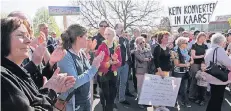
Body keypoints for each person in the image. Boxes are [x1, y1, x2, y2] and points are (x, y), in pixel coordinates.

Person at [1, 17, 76, 111]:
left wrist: (52, 85)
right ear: (2, 38)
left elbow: (33, 96)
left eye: (28, 35)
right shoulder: (2, 77)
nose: (28, 40)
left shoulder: (15, 71)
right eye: (21, 35)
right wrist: (50, 92)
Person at [57, 24, 105, 111]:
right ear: (78, 37)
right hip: (74, 102)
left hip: (86, 99)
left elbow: (87, 74)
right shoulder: (65, 55)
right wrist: (94, 67)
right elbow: (75, 82)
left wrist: (96, 63)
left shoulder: (81, 52)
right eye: (86, 36)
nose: (88, 39)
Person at [96, 27, 122, 111]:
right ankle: (105, 108)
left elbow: (120, 62)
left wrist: (116, 61)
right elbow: (97, 63)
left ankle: (109, 109)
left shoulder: (117, 47)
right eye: (106, 34)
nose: (107, 36)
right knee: (105, 95)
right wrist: (108, 63)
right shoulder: (101, 46)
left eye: (109, 34)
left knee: (112, 96)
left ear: (113, 35)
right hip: (103, 75)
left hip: (113, 74)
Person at [204, 33, 231, 111]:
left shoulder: (210, 49)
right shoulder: (219, 50)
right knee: (217, 99)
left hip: (212, 76)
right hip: (219, 78)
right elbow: (228, 63)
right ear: (221, 41)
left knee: (214, 98)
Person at [114, 23, 134, 106]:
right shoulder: (115, 38)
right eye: (120, 27)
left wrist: (129, 61)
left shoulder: (125, 39)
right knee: (115, 82)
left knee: (124, 82)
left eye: (123, 27)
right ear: (116, 29)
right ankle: (113, 100)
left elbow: (128, 51)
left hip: (126, 64)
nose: (122, 29)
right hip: (117, 64)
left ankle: (122, 98)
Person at [172, 37, 193, 108]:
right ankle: (174, 102)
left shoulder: (186, 50)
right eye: (186, 43)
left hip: (185, 71)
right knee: (176, 88)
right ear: (180, 43)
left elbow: (191, 59)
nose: (187, 44)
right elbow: (176, 64)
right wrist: (186, 64)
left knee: (184, 88)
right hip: (178, 72)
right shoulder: (174, 51)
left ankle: (184, 101)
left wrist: (190, 62)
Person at [92, 20, 109, 96]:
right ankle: (95, 92)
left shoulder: (110, 37)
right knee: (97, 79)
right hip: (98, 63)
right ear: (99, 27)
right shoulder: (95, 38)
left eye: (105, 26)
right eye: (101, 26)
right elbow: (91, 50)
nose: (103, 27)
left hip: (108, 63)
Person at [189, 32, 208, 102]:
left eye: (204, 38)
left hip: (203, 65)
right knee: (194, 80)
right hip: (195, 64)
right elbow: (193, 56)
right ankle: (191, 96)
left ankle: (198, 96)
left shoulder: (205, 46)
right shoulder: (194, 45)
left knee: (202, 81)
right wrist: (203, 56)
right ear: (198, 37)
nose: (202, 39)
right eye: (201, 38)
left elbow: (207, 55)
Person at [134, 36, 152, 109]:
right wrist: (145, 57)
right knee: (140, 88)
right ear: (137, 44)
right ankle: (140, 102)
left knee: (146, 87)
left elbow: (150, 57)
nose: (142, 43)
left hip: (147, 70)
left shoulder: (147, 49)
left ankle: (145, 101)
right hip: (140, 71)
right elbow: (141, 59)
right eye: (140, 42)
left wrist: (146, 57)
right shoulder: (136, 51)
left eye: (143, 42)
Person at [130, 27, 141, 92]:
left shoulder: (142, 40)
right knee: (135, 74)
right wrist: (135, 50)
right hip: (134, 60)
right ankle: (135, 87)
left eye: (138, 32)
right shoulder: (131, 41)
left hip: (142, 61)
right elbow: (130, 51)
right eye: (135, 32)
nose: (136, 33)